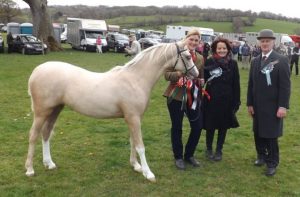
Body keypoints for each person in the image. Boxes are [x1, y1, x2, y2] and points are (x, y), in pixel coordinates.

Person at [247, 29, 291, 176]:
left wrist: (283, 106)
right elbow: (251, 84)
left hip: (273, 107)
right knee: (258, 132)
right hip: (257, 106)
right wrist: (250, 103)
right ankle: (261, 156)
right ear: (259, 42)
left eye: (268, 41)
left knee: (271, 135)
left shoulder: (282, 60)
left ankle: (272, 162)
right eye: (262, 41)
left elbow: (285, 86)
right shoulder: (255, 61)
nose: (265, 43)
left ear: (273, 42)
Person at [163, 29, 204, 170]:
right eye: (191, 39)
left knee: (197, 127)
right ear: (186, 39)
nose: (193, 42)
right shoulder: (176, 55)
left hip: (193, 97)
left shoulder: (200, 58)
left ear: (199, 42)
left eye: (196, 40)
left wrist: (200, 81)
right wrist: (180, 75)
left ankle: (189, 155)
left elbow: (200, 77)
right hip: (176, 96)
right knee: (177, 127)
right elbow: (167, 74)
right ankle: (178, 157)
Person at [202, 38, 241, 161]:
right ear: (215, 49)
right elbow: (204, 79)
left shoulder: (233, 64)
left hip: (227, 100)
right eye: (219, 48)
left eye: (224, 48)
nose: (222, 50)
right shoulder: (209, 61)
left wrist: (236, 101)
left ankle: (219, 150)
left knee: (223, 126)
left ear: (228, 49)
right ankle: (209, 149)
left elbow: (236, 84)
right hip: (211, 98)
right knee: (210, 125)